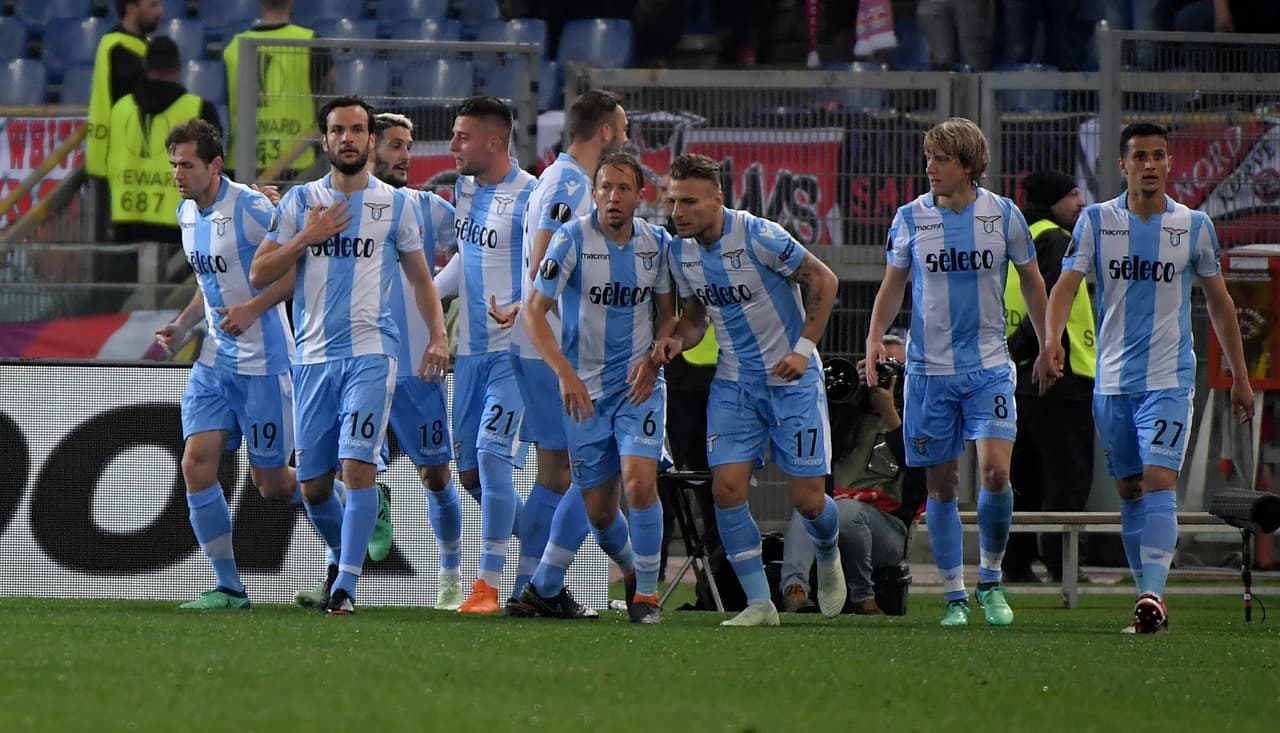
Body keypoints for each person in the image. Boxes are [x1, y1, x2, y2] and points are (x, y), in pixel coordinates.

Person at [1041, 120, 1255, 634]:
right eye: (1140, 157)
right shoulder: (1095, 222)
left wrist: (1240, 377)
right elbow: (1065, 287)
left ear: (1170, 164)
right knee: (1130, 489)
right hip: (1111, 382)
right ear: (1123, 165)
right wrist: (1052, 342)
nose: (1151, 165)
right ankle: (1147, 602)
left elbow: (1220, 303)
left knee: (1159, 482)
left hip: (1169, 378)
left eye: (1159, 156)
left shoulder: (1194, 226)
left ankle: (1153, 594)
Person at [249, 96, 450, 615]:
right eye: (338, 130)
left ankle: (346, 588)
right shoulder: (299, 203)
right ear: (326, 140)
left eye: (357, 130)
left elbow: (421, 277)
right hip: (312, 358)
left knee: (357, 469)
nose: (348, 139)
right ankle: (343, 559)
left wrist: (437, 336)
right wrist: (308, 237)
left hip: (370, 354)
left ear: (368, 139)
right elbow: (260, 272)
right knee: (315, 488)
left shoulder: (396, 204)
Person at [865, 117, 1052, 627]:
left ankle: (991, 581)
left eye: (941, 159)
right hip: (928, 371)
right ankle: (954, 597)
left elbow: (1033, 282)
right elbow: (893, 285)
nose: (930, 167)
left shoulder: (1003, 215)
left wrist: (1048, 339)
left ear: (969, 166)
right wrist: (873, 339)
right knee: (942, 486)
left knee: (996, 471)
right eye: (928, 158)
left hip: (990, 367)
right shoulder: (910, 217)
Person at [654, 153, 844, 627]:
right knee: (727, 490)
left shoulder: (760, 236)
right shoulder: (681, 253)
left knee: (808, 501)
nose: (677, 211)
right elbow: (698, 316)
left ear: (718, 200)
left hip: (792, 379)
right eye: (673, 200)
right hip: (735, 382)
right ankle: (760, 604)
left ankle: (827, 547)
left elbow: (824, 280)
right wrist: (680, 337)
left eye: (689, 202)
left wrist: (802, 350)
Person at [491, 90, 629, 616]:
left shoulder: (554, 175)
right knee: (591, 470)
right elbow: (546, 255)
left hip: (533, 339)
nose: (627, 133)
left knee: (555, 475)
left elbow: (536, 261)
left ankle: (532, 588)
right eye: (624, 125)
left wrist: (516, 302)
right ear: (607, 132)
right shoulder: (573, 182)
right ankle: (541, 586)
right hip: (555, 349)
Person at [519, 152, 673, 624]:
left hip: (639, 387)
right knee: (599, 509)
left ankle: (646, 597)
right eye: (604, 187)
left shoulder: (657, 244)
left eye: (623, 188)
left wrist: (658, 353)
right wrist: (565, 374)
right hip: (583, 393)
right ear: (594, 193)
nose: (612, 197)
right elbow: (533, 312)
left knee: (639, 483)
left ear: (639, 195)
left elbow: (668, 313)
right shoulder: (570, 240)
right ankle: (620, 574)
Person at [156, 118, 303, 609]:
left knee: (274, 485)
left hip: (266, 363)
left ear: (215, 165)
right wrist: (184, 325)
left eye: (188, 165)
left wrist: (252, 310)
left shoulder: (254, 207)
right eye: (174, 164)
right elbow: (209, 282)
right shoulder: (185, 213)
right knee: (196, 464)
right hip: (215, 361)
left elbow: (295, 274)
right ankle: (228, 587)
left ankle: (355, 497)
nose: (178, 174)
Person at [368, 111, 466, 610]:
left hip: (418, 367)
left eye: (408, 146)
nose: (406, 155)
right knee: (352, 466)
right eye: (395, 146)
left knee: (435, 475)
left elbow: (477, 248)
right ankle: (334, 575)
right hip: (362, 361)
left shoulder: (431, 208)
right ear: (368, 147)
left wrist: (439, 302)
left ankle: (451, 573)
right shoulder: (341, 205)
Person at [447, 96, 538, 615]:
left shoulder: (532, 196)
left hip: (515, 351)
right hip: (470, 353)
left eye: (463, 136)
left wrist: (526, 305)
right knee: (471, 477)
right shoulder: (464, 190)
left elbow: (552, 268)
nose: (454, 145)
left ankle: (487, 584)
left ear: (495, 142)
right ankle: (545, 550)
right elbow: (466, 260)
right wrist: (425, 304)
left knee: (491, 454)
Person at [780, 335, 927, 615]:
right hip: (840, 510)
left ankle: (863, 597)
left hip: (890, 527)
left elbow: (921, 482)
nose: (884, 374)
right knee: (809, 507)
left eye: (894, 366)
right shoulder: (849, 412)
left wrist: (890, 413)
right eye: (877, 365)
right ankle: (795, 592)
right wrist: (844, 398)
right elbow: (822, 452)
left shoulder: (918, 416)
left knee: (844, 511)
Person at [1001, 170, 1095, 584]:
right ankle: (1064, 565)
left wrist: (1009, 356)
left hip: (1020, 379)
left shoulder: (1017, 235)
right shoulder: (1056, 240)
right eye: (1074, 195)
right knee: (1068, 476)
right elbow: (1049, 304)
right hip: (1060, 375)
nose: (1080, 203)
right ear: (1055, 200)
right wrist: (1031, 350)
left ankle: (1016, 563)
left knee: (1024, 478)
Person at [106, 36, 222, 247]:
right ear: (179, 68)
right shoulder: (198, 110)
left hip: (125, 229)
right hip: (179, 233)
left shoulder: (119, 109)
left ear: (145, 66)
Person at [223, 0, 333, 179]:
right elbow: (331, 98)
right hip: (296, 163)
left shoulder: (233, 47)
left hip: (242, 163)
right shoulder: (310, 41)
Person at [87, 0, 164, 180]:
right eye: (153, 5)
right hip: (116, 160)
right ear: (132, 8)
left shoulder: (145, 47)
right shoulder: (117, 47)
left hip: (134, 160)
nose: (161, 12)